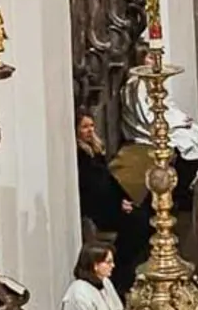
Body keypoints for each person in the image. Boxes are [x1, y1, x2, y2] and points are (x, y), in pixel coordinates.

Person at [121, 41, 198, 211]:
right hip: (145, 129)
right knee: (188, 143)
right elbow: (146, 115)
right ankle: (180, 192)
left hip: (165, 123)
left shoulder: (153, 81)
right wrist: (174, 124)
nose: (155, 61)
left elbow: (167, 105)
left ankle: (189, 185)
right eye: (150, 58)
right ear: (141, 59)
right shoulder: (137, 84)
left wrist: (181, 119)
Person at [74, 110, 152, 296]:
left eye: (91, 126)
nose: (89, 130)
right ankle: (120, 275)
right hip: (98, 207)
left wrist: (124, 199)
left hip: (110, 201)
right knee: (137, 225)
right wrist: (119, 205)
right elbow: (93, 188)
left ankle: (129, 270)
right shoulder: (80, 156)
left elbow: (109, 180)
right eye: (84, 127)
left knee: (145, 218)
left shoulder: (95, 149)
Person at [60, 242, 123, 310]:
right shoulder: (79, 293)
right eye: (108, 262)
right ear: (95, 265)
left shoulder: (106, 282)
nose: (113, 265)